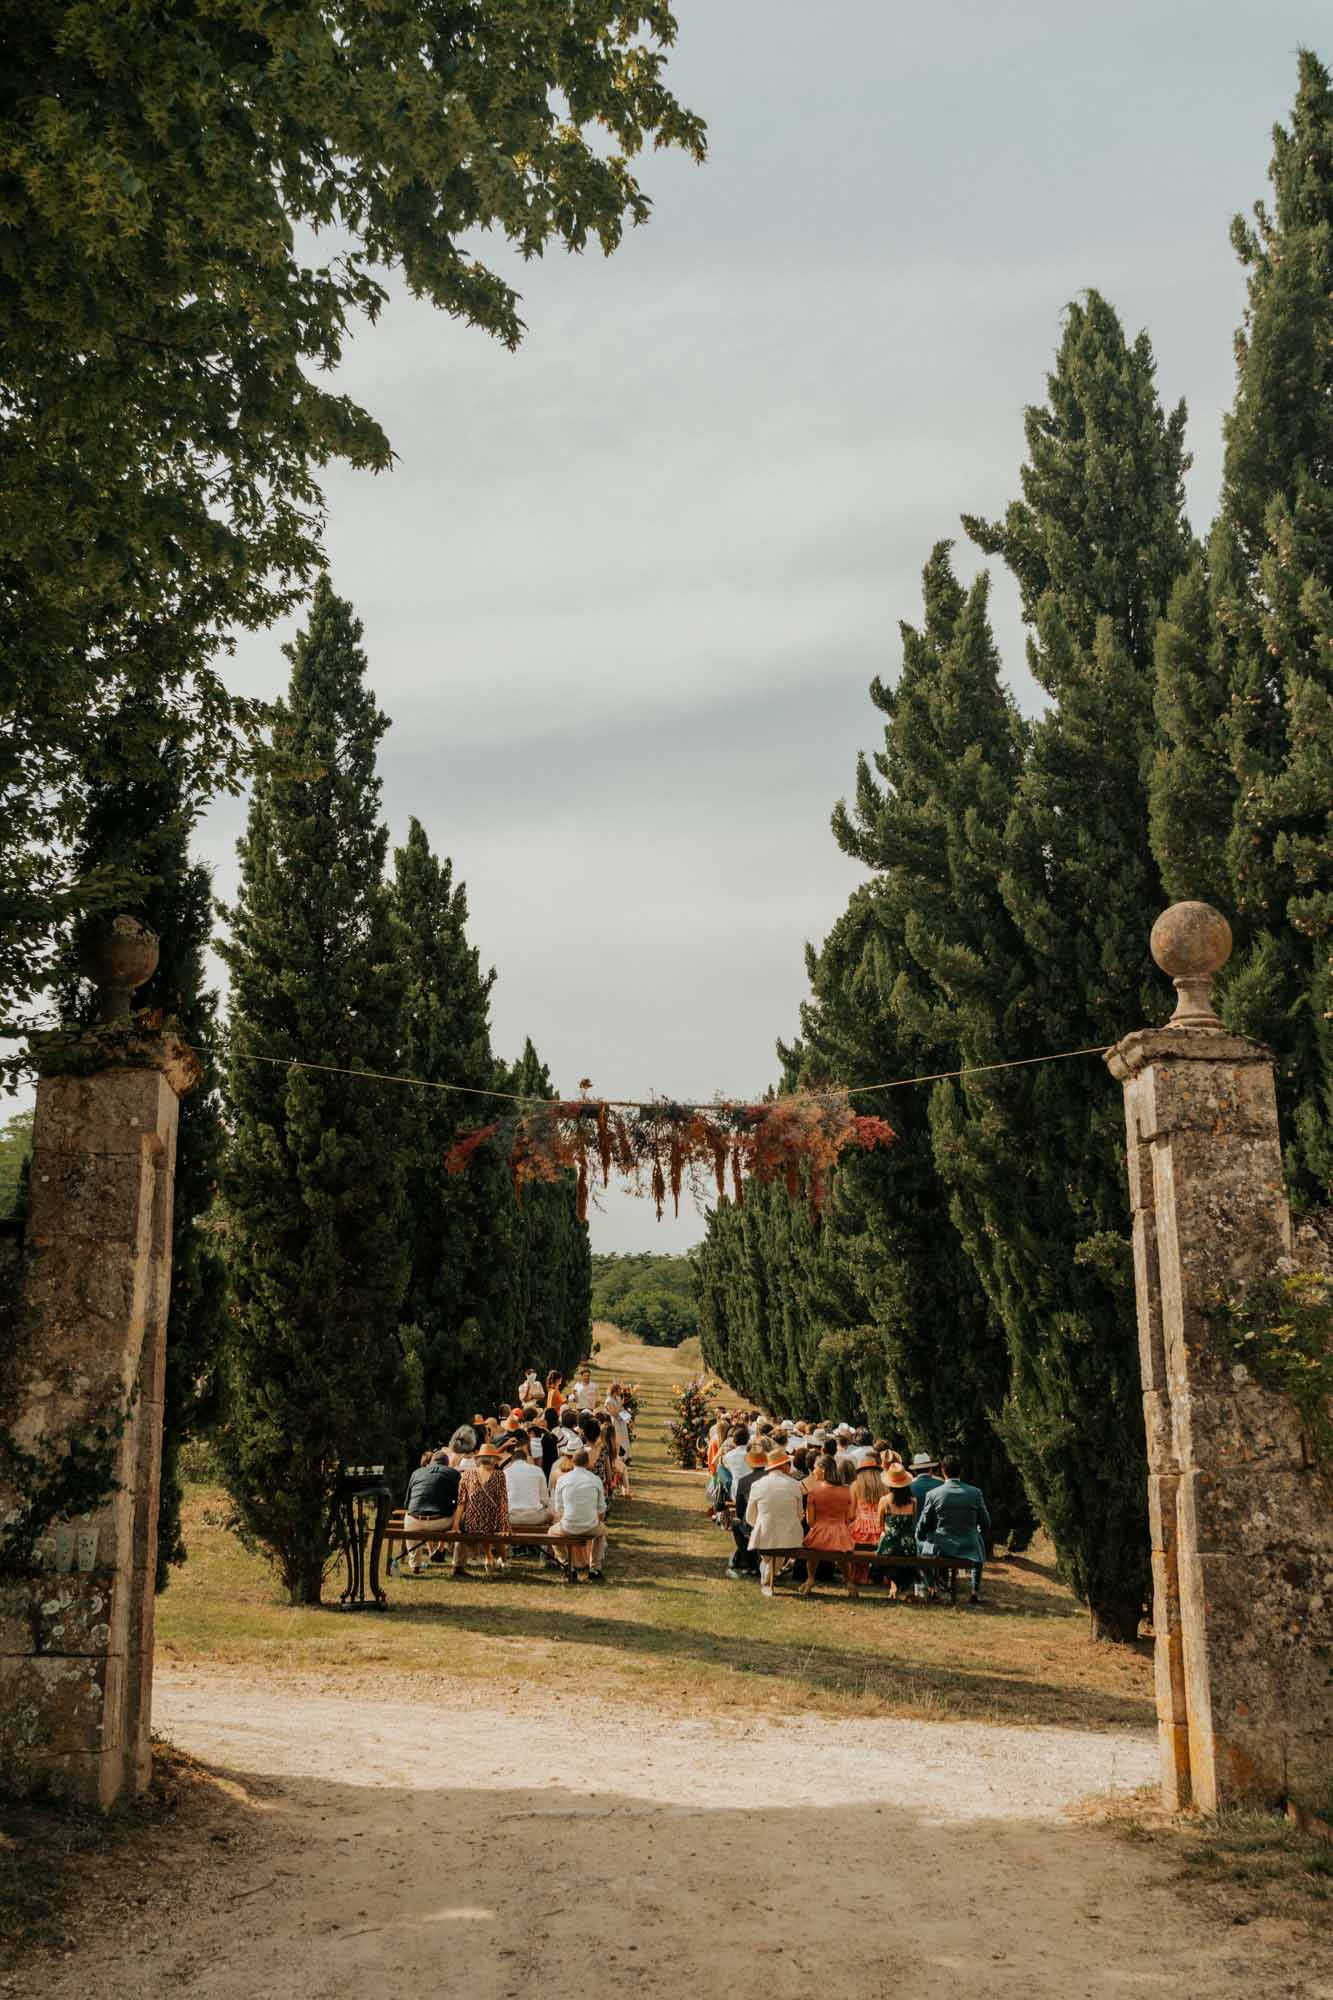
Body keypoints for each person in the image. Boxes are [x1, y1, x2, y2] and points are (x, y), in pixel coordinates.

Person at [916, 1457, 991, 1604]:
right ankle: (975, 1591)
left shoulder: (933, 1494)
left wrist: (920, 1535)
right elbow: (986, 1522)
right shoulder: (975, 1493)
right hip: (968, 1546)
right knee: (978, 1542)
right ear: (961, 1471)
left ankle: (932, 1588)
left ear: (943, 1471)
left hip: (941, 1546)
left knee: (920, 1552)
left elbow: (924, 1522)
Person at [744, 1446, 806, 1598]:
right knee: (779, 1539)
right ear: (783, 1466)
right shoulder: (794, 1485)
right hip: (790, 1534)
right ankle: (768, 1576)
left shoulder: (758, 1485)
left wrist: (759, 1524)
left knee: (770, 1539)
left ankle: (767, 1577)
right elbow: (799, 1514)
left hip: (765, 1532)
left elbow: (749, 1516)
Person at [450, 1440, 511, 1577]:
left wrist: (455, 1525)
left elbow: (461, 1502)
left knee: (483, 1521)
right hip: (492, 1523)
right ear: (494, 1460)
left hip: (471, 1523)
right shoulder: (500, 1475)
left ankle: (489, 1558)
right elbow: (503, 1502)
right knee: (492, 1526)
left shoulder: (467, 1474)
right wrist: (504, 1526)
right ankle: (504, 1561)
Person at [801, 1454, 858, 1598]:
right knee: (841, 1554)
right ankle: (849, 1582)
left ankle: (810, 1578)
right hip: (841, 1534)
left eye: (815, 1468)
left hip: (819, 1534)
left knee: (812, 1550)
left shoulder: (814, 1491)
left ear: (823, 1469)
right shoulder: (847, 1490)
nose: (813, 1471)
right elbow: (849, 1517)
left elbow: (810, 1522)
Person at [399, 1448, 462, 1575]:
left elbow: (407, 1503)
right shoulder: (453, 1473)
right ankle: (458, 1565)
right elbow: (459, 1500)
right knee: (462, 1519)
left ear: (431, 1461)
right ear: (447, 1463)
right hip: (440, 1521)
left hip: (414, 1521)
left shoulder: (416, 1473)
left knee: (409, 1520)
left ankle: (415, 1564)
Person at [550, 1446, 606, 1584]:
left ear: (572, 1462)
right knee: (603, 1531)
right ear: (587, 1463)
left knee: (551, 1533)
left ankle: (566, 1564)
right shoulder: (595, 1479)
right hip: (590, 1525)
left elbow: (559, 1508)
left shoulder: (563, 1480)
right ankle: (595, 1568)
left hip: (568, 1525)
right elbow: (601, 1509)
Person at [725, 1440, 771, 1579]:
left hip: (755, 1524)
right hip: (773, 1523)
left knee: (737, 1524)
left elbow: (739, 1510)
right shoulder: (771, 1478)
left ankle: (750, 1563)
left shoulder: (744, 1481)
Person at [875, 1462, 919, 1601]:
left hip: (890, 1544)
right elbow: (913, 1523)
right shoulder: (913, 1502)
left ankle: (894, 1586)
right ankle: (903, 1587)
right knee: (905, 1552)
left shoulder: (884, 1501)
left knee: (888, 1547)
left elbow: (879, 1525)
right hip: (908, 1544)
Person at [907, 1451, 944, 1599]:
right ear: (930, 1469)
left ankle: (923, 1587)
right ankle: (938, 1583)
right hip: (938, 1534)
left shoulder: (909, 1486)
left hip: (916, 1533)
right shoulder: (941, 1484)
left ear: (915, 1470)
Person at [503, 1431, 553, 1535]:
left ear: (512, 1461)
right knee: (552, 1514)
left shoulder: (505, 1472)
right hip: (534, 1517)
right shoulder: (537, 1470)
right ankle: (547, 1549)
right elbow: (545, 1500)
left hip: (511, 1517)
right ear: (526, 1459)